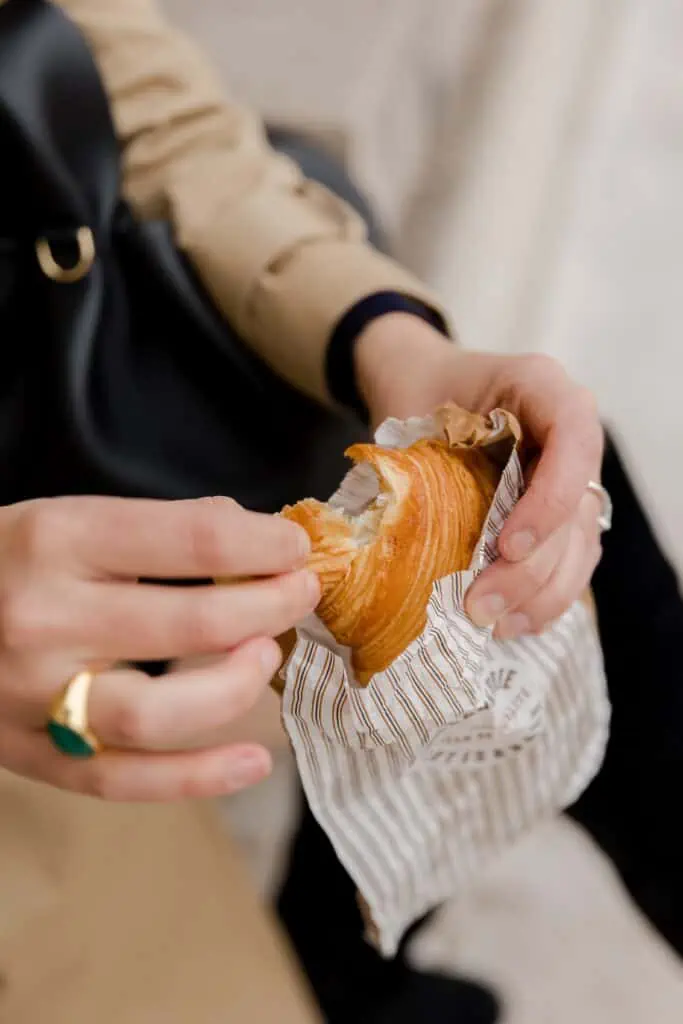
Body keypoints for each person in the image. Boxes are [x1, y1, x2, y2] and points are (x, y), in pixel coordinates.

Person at [0, 1, 680, 1022]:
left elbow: (127, 87)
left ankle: (354, 963)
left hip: (98, 375)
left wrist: (389, 336)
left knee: (559, 540)